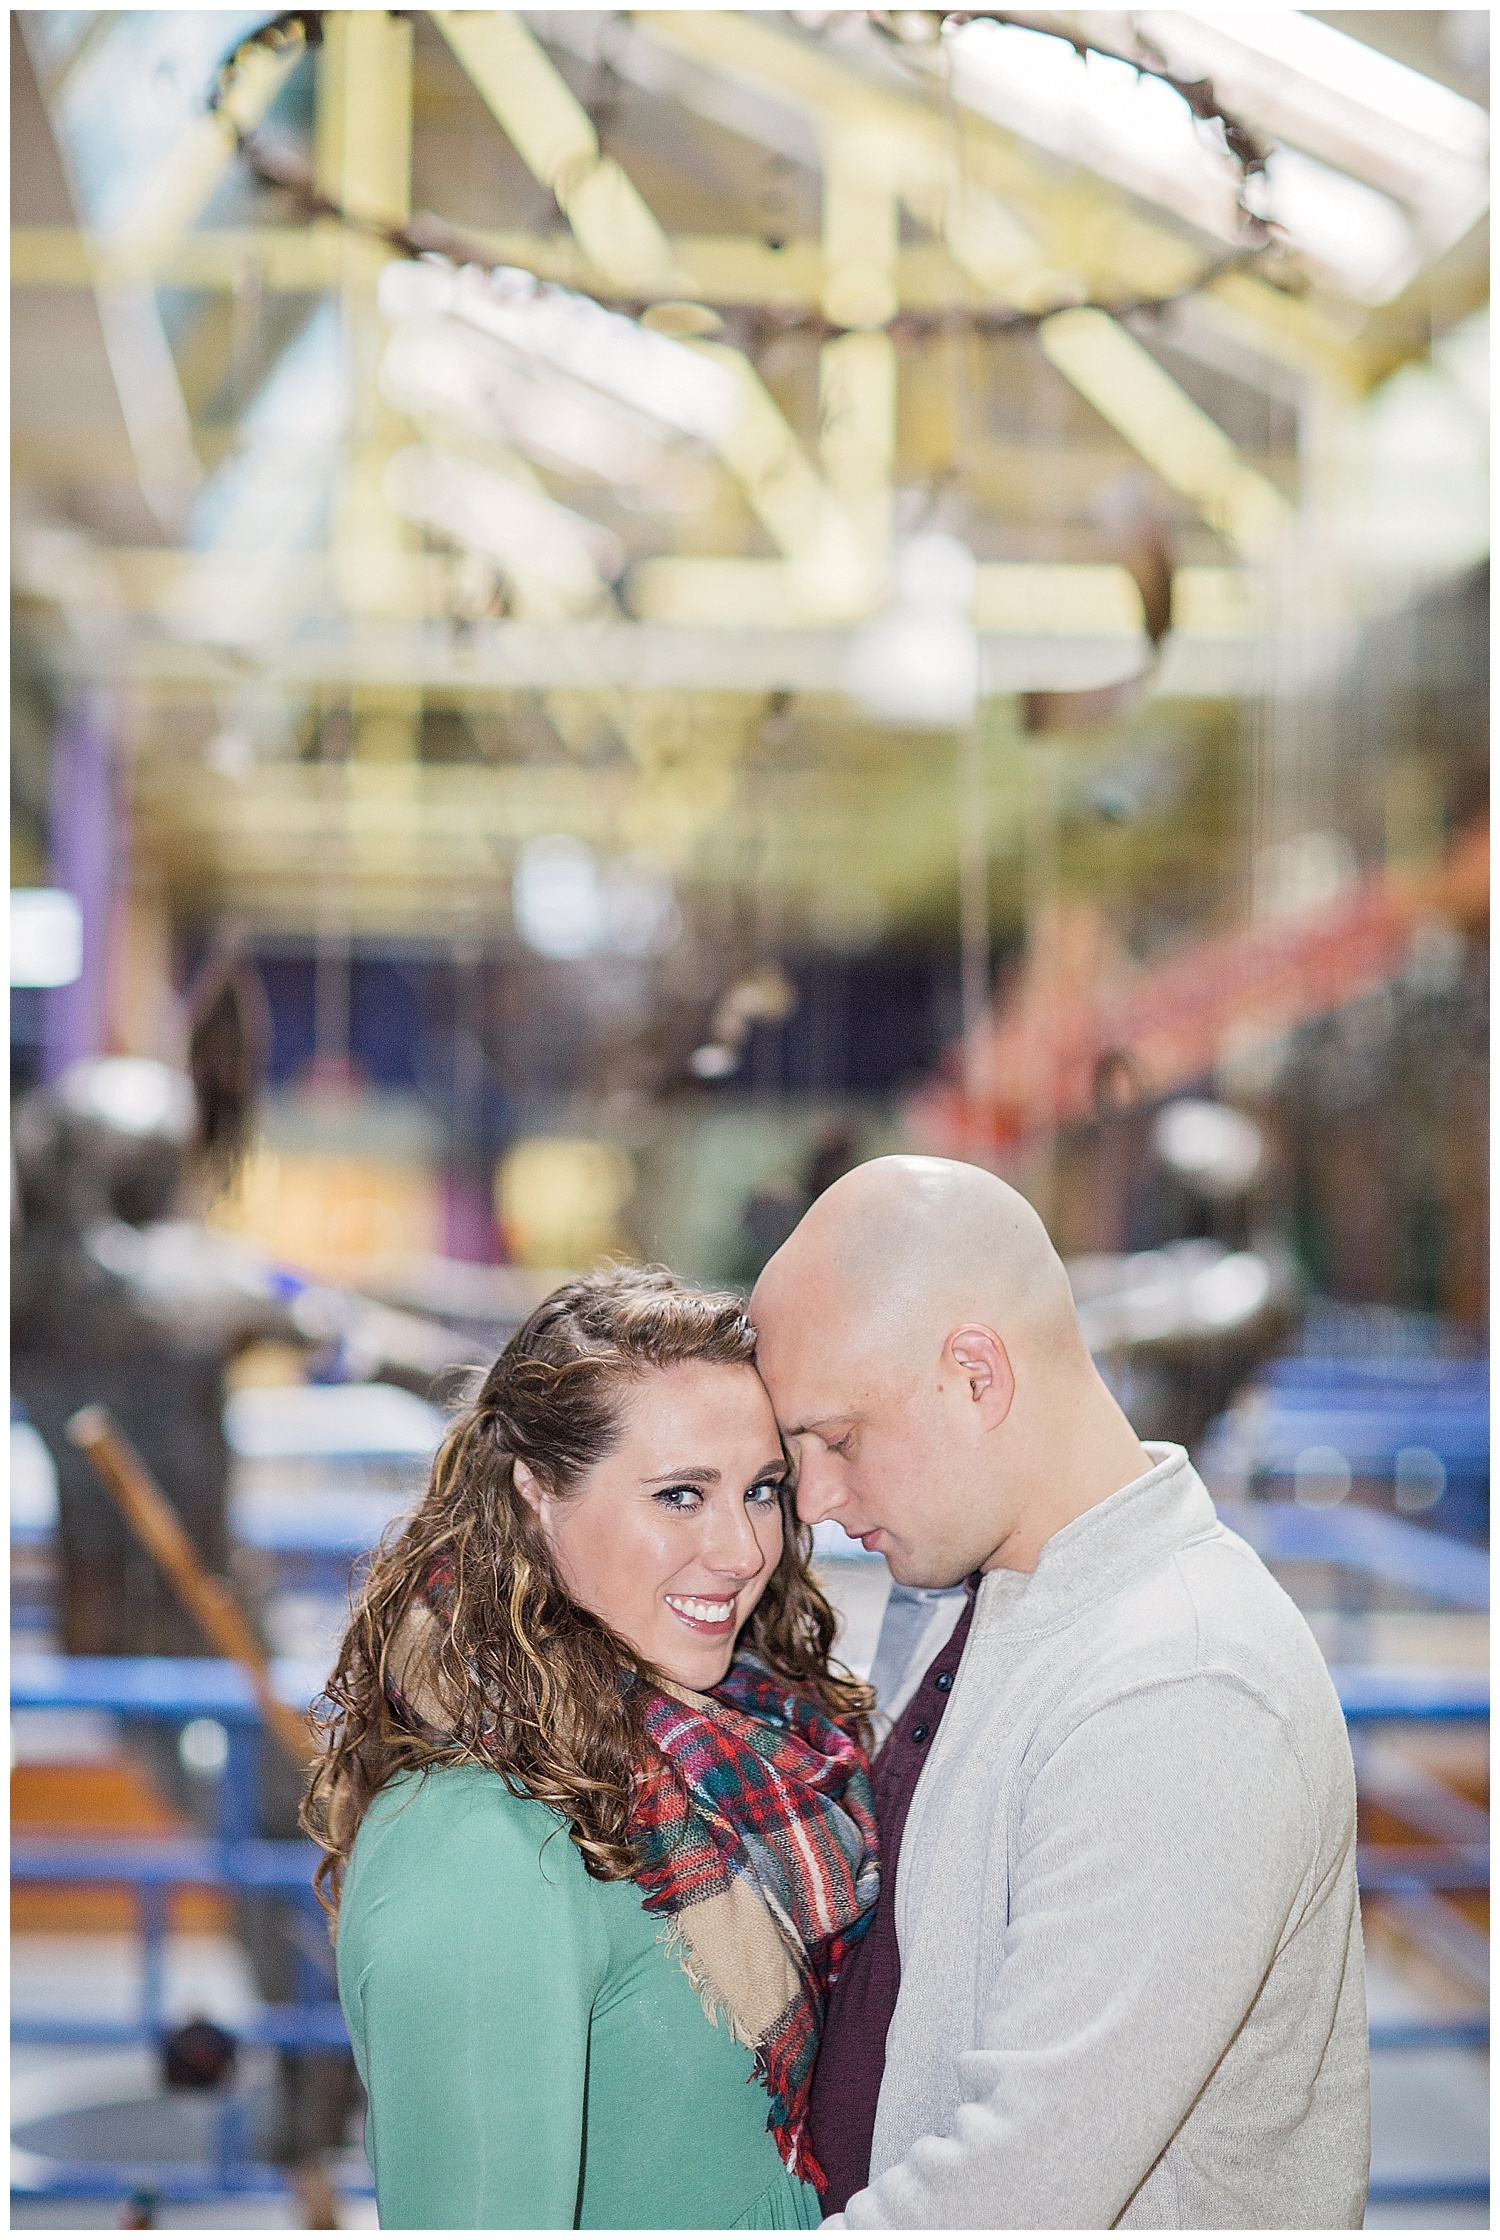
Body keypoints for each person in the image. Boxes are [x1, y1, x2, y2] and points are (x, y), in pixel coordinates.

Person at [750, 1155, 1370, 2230]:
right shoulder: (962, 1591)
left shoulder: (1183, 1679)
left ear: (977, 1375)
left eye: (839, 1437)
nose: (813, 1496)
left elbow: (1014, 2187)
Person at [306, 1266, 879, 2230]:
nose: (743, 1549)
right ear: (535, 1495)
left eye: (762, 1489)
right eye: (680, 1495)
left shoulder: (742, 1751)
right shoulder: (478, 1843)